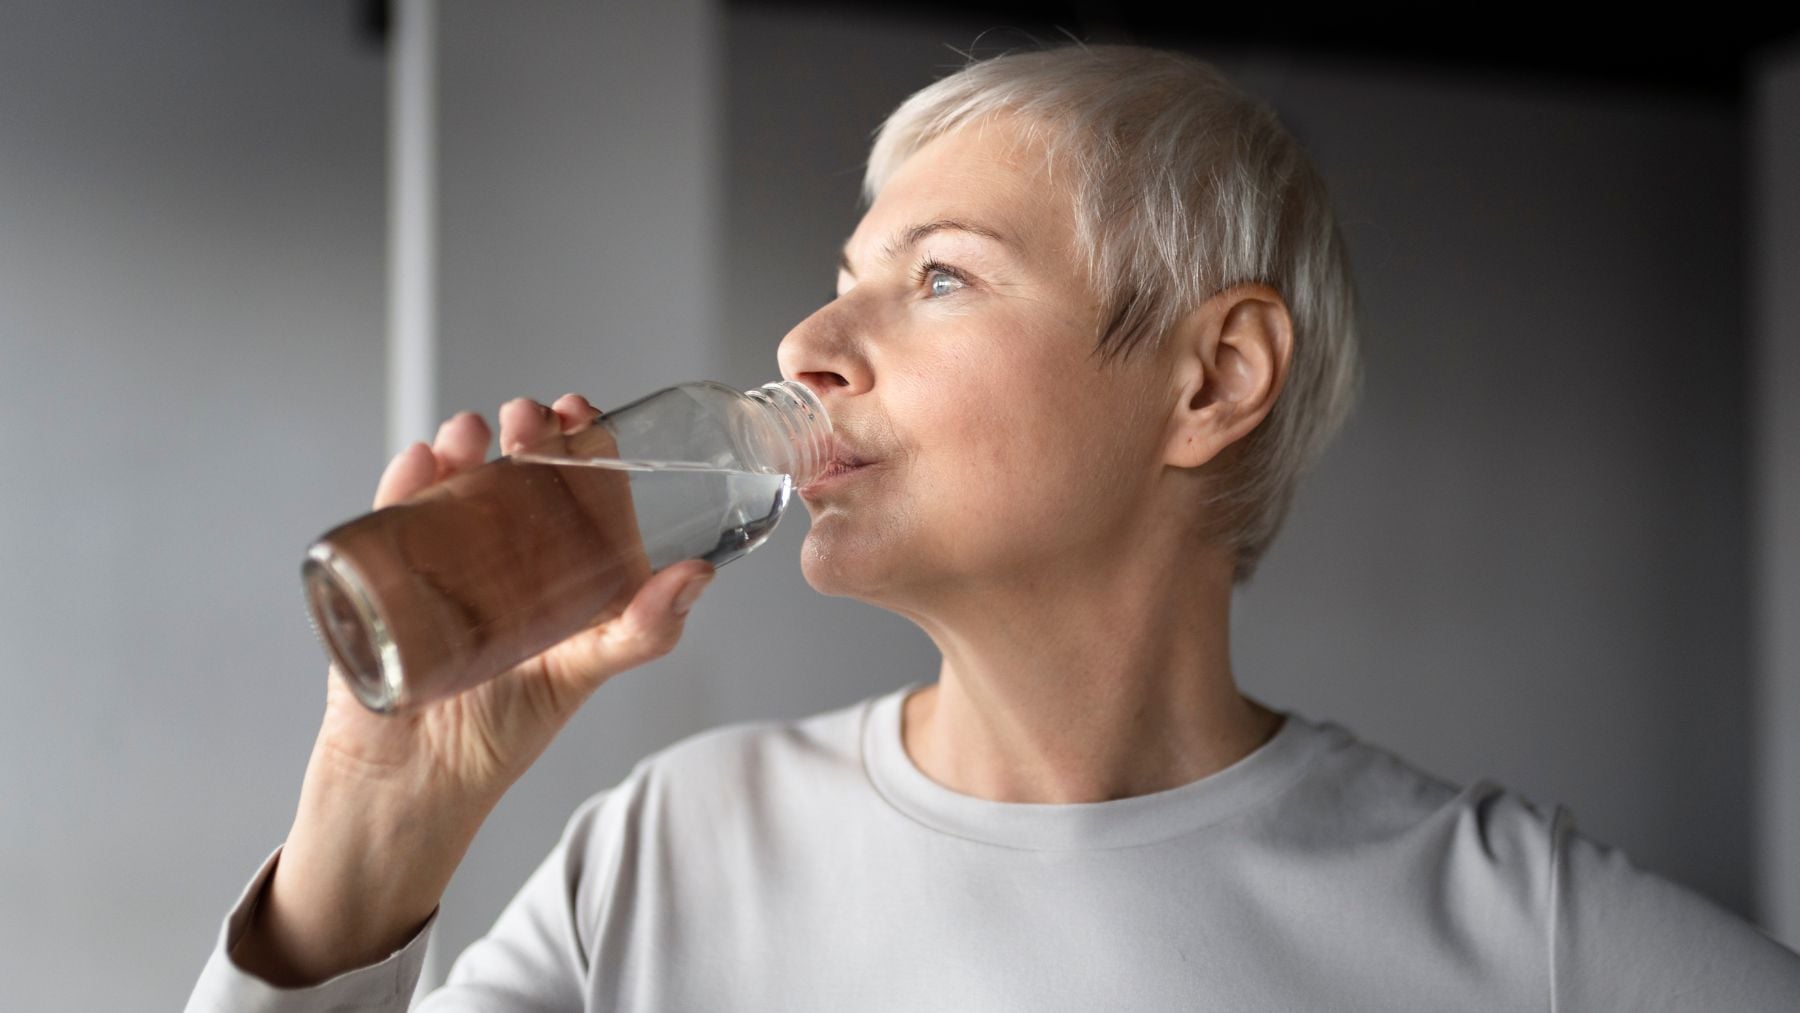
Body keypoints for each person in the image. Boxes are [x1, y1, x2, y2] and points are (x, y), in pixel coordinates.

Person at [187, 43, 1800, 1011]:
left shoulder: (1517, 931)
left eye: (940, 274)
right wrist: (378, 818)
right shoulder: (667, 854)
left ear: (1210, 379)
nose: (809, 344)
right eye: (845, 272)